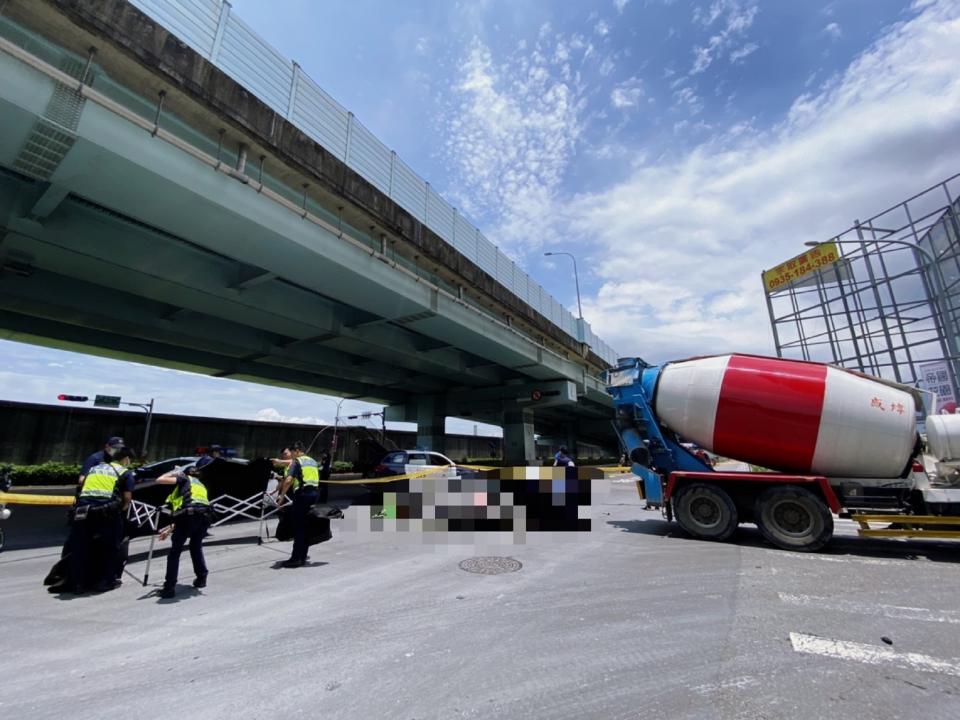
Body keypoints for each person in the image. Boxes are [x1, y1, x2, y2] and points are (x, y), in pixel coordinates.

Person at [54, 446, 135, 593]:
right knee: (111, 547)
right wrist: (120, 511)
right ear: (126, 459)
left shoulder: (95, 469)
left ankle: (77, 583)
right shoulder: (125, 472)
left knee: (80, 547)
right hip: (106, 513)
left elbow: (82, 486)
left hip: (83, 512)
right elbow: (127, 498)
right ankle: (106, 581)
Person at [156, 464, 212, 599]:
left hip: (189, 517)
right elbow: (190, 508)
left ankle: (169, 588)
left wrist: (176, 472)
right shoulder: (200, 485)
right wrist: (170, 529)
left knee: (175, 552)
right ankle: (201, 578)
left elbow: (160, 479)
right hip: (204, 517)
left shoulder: (184, 479)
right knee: (196, 546)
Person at [275, 441, 320, 568]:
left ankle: (296, 559)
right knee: (305, 527)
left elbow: (288, 480)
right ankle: (303, 555)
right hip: (314, 495)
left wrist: (281, 496)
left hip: (302, 495)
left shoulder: (297, 461)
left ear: (297, 451)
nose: (291, 455)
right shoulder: (313, 461)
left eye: (292, 452)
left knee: (298, 527)